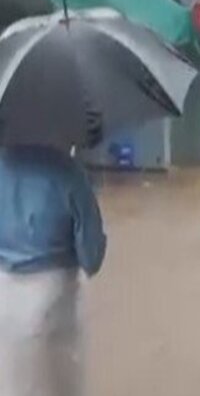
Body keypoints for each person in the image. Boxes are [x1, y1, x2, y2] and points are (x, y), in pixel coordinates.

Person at [0, 144, 106, 396]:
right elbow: (92, 258)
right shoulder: (69, 173)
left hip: (4, 295)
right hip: (55, 300)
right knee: (58, 383)